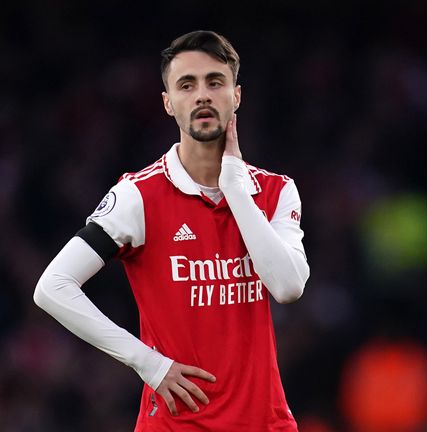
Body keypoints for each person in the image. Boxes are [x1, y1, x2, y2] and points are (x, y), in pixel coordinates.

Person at [34, 30, 309, 431]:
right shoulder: (138, 196)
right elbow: (52, 287)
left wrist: (234, 186)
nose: (202, 95)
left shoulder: (275, 191)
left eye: (215, 82)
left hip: (264, 422)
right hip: (176, 424)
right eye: (186, 85)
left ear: (236, 96)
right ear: (168, 103)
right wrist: (149, 364)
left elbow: (288, 287)